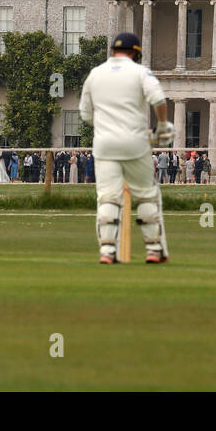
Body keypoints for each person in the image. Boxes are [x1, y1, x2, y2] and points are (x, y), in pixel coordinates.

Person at [80, 32, 172, 264]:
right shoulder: (141, 72)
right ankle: (153, 249)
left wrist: (103, 126)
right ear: (135, 53)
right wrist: (161, 126)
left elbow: (85, 113)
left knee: (108, 198)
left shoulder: (95, 74)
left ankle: (107, 252)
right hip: (135, 142)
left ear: (112, 51)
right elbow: (159, 100)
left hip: (105, 144)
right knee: (145, 195)